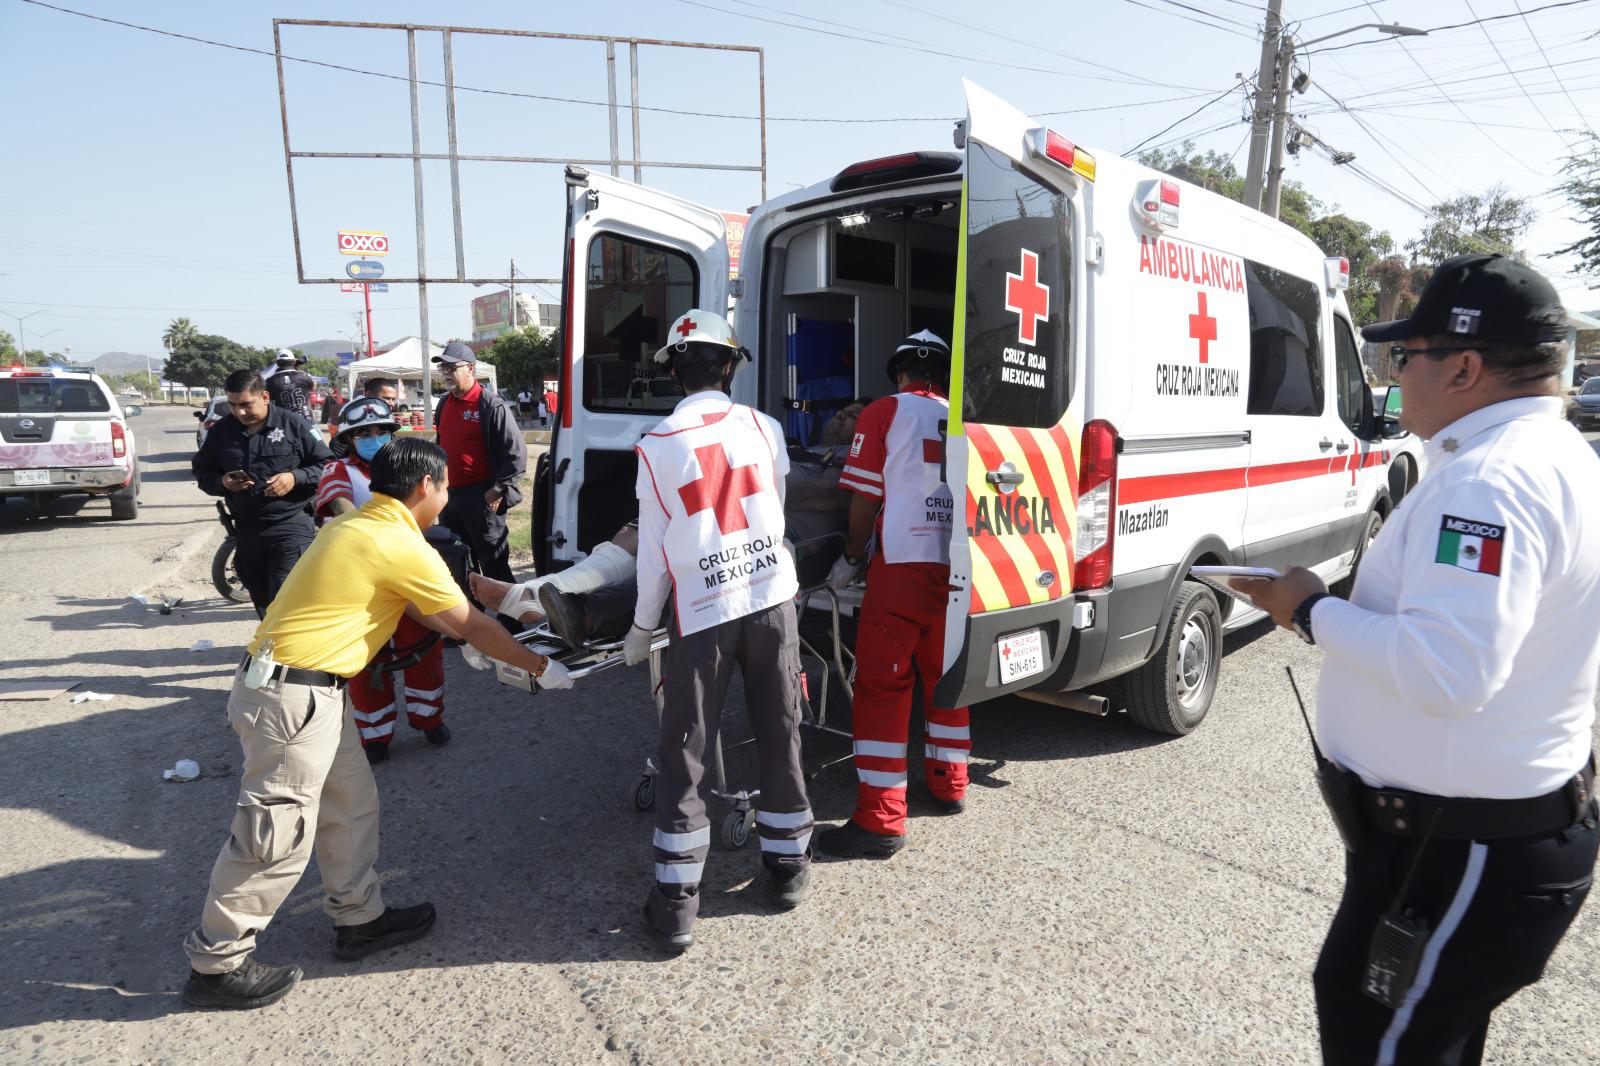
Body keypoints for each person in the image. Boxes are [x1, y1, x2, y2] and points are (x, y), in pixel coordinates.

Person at [1232, 254, 1600, 1066]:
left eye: (1410, 355)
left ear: (1464, 366)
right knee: (1421, 1039)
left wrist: (1308, 610)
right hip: (1472, 840)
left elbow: (1447, 672)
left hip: (1460, 851)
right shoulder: (1559, 457)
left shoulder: (1491, 484)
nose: (1398, 373)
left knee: (1384, 1045)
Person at [181, 438, 572, 1011]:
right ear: (426, 487)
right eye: (442, 486)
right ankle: (217, 962)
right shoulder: (394, 542)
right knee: (276, 834)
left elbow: (431, 607)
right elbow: (468, 626)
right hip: (294, 700)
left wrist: (506, 601)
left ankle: (359, 919)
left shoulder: (358, 525)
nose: (445, 496)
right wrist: (541, 666)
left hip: (304, 694)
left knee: (351, 804)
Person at [618, 309, 813, 953]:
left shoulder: (656, 445)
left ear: (675, 371)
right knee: (781, 727)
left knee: (687, 747)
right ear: (730, 367)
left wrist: (643, 627)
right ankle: (786, 870)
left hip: (701, 610)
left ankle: (675, 904)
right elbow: (775, 513)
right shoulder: (765, 426)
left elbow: (654, 553)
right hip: (771, 597)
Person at [816, 330, 965, 860]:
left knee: (884, 686)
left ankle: (880, 819)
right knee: (945, 674)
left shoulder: (884, 412)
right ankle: (950, 783)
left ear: (900, 373)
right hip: (959, 566)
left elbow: (863, 500)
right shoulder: (966, 416)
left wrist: (853, 555)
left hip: (902, 565)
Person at [315, 398, 453, 764]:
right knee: (367, 660)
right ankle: (375, 735)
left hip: (407, 571)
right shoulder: (338, 470)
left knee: (425, 648)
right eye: (364, 433)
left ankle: (429, 718)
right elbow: (340, 506)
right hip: (361, 581)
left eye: (380, 432)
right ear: (349, 439)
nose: (373, 438)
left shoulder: (407, 468)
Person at [192, 369, 332, 618]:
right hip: (246, 532)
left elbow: (328, 466)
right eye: (233, 405)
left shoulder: (295, 425)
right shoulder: (221, 432)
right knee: (263, 602)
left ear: (265, 396)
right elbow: (203, 473)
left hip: (290, 526)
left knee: (286, 600)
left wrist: (294, 477)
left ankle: (287, 653)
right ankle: (271, 651)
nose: (239, 412)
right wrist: (222, 482)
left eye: (246, 404)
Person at [432, 342, 527, 583]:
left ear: (470, 369)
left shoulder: (491, 405)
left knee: (493, 565)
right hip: (450, 497)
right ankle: (470, 616)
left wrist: (497, 489)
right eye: (443, 367)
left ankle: (509, 620)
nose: (446, 373)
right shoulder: (444, 404)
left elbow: (516, 454)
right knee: (457, 561)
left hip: (482, 497)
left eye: (452, 367)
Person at [263, 349, 316, 424]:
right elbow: (313, 387)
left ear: (277, 363)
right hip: (306, 420)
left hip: (285, 423)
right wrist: (298, 369)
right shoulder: (304, 376)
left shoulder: (270, 380)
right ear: (294, 361)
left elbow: (269, 401)